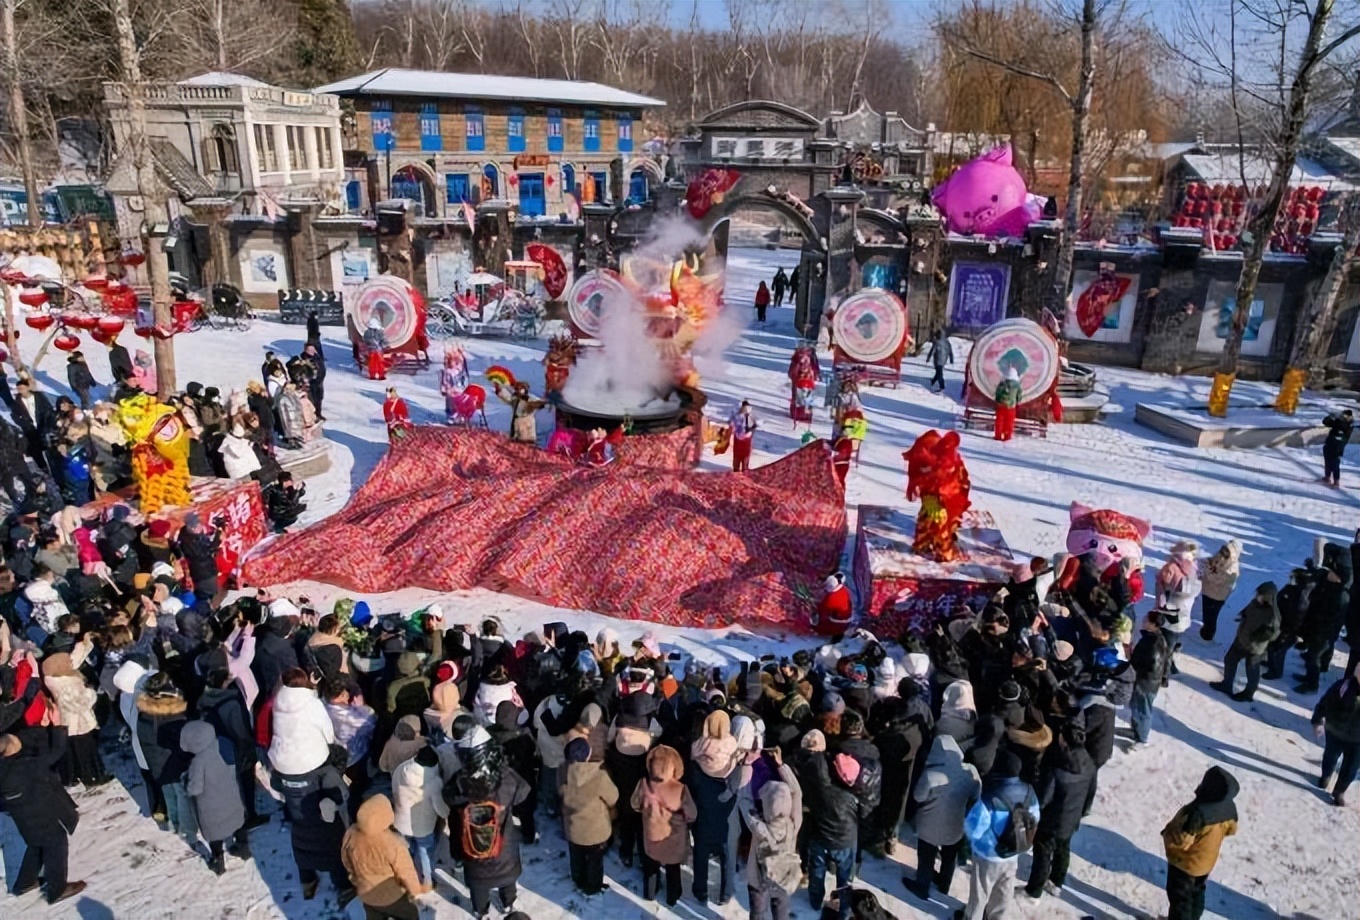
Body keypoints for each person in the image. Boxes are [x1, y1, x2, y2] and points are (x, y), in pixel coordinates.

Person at [0, 727, 86, 904]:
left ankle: (24, 882)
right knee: (57, 847)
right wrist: (58, 727)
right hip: (43, 815)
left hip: (24, 819)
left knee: (35, 846)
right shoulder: (26, 767)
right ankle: (57, 889)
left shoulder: (5, 769)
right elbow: (56, 751)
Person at [957, 750, 1039, 920]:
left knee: (980, 892)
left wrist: (972, 842)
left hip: (988, 854)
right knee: (1004, 891)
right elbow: (1035, 817)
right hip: (1013, 852)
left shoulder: (990, 796)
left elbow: (975, 828)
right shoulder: (1029, 792)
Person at [1022, 723, 1095, 901]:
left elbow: (1045, 798)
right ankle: (1056, 882)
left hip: (1051, 821)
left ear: (1066, 742)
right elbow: (1091, 793)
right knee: (1063, 849)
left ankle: (1034, 890)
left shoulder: (1057, 767)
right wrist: (1081, 813)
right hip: (1071, 819)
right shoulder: (1090, 764)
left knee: (1042, 854)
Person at [906, 734, 979, 902]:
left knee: (926, 856)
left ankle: (922, 886)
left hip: (928, 826)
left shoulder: (931, 775)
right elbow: (976, 795)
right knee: (949, 857)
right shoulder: (970, 772)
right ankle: (944, 885)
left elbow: (918, 796)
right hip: (955, 826)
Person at [1162, 766, 1239, 920]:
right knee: (1197, 893)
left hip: (1185, 866)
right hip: (1205, 863)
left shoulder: (1197, 813)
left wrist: (1168, 834)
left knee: (1180, 901)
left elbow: (1182, 841)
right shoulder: (1229, 807)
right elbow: (1232, 830)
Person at [342, 793, 429, 920]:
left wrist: (355, 878)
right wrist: (414, 890)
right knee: (411, 915)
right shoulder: (392, 843)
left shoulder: (351, 833)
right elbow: (406, 871)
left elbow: (346, 860)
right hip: (392, 896)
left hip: (366, 893)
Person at [739, 748, 802, 920]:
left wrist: (746, 766)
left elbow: (744, 799)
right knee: (781, 910)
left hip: (759, 879)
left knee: (758, 912)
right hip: (784, 874)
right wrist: (781, 766)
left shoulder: (759, 827)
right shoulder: (795, 823)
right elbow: (797, 792)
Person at [180, 720, 250, 875]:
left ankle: (218, 863)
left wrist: (185, 784)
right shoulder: (223, 744)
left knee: (215, 837)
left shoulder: (198, 762)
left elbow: (195, 789)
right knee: (238, 824)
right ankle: (243, 849)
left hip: (211, 809)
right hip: (232, 798)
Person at [633, 743, 696, 906]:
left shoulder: (644, 784)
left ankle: (650, 893)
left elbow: (635, 804)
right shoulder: (681, 789)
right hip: (673, 839)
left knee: (651, 867)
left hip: (651, 835)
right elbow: (692, 814)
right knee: (673, 869)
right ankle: (672, 897)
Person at [561, 736, 618, 895]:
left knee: (576, 856)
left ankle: (578, 878)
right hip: (595, 830)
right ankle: (592, 886)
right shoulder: (599, 777)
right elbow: (613, 796)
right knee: (595, 861)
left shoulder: (563, 773)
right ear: (587, 755)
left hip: (573, 828)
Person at [1210, 581, 1280, 703]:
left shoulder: (1272, 614)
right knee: (1230, 659)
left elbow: (1273, 633)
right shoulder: (1255, 603)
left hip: (1254, 647)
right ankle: (1227, 684)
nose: (1258, 596)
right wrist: (1242, 615)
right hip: (1241, 639)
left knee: (1252, 670)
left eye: (1261, 595)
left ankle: (1249, 693)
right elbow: (1248, 611)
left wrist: (1258, 636)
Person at [391, 746, 448, 888]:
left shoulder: (402, 768)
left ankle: (406, 876)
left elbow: (393, 788)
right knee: (425, 853)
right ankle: (426, 881)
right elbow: (441, 809)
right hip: (423, 827)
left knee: (406, 851)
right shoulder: (434, 783)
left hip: (401, 821)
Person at [1312, 661, 1360, 806]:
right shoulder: (1343, 687)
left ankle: (1339, 791)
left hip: (1358, 741)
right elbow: (1324, 703)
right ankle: (1326, 775)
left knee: (1351, 767)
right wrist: (1317, 720)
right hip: (1335, 732)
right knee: (1330, 756)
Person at [1129, 610, 1171, 744]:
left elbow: (1151, 665)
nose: (1143, 620)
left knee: (1143, 711)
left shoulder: (1152, 644)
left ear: (1153, 624)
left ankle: (1142, 739)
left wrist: (1131, 663)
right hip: (1147, 682)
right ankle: (1136, 730)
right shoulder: (1156, 638)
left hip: (1145, 683)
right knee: (1137, 707)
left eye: (1146, 619)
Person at [1199, 540, 1242, 642]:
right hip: (1207, 590)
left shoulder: (1232, 568)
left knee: (1211, 616)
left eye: (1226, 552)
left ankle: (1207, 635)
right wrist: (1206, 562)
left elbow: (1216, 579)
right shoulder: (1220, 555)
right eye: (1223, 550)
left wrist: (1207, 570)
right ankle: (1205, 627)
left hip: (1217, 596)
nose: (1222, 554)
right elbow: (1211, 560)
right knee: (1206, 612)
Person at [495, 381, 545, 445]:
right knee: (516, 441)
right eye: (516, 388)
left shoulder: (530, 398)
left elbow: (540, 404)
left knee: (527, 443)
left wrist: (532, 403)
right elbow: (507, 398)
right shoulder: (515, 398)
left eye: (519, 388)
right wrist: (499, 389)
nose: (517, 390)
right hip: (517, 421)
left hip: (526, 421)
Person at [1321, 408, 1353, 487]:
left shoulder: (1349, 425)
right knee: (1327, 461)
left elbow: (1345, 434)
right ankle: (1327, 477)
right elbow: (1325, 422)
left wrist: (1340, 421)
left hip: (1338, 446)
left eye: (1345, 416)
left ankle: (1336, 480)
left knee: (1335, 464)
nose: (1343, 416)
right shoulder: (1337, 421)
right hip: (1329, 443)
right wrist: (1331, 417)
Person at [992, 367, 1021, 442]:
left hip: (1001, 405)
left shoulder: (1002, 384)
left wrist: (997, 400)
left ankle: (998, 435)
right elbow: (1019, 395)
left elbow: (997, 393)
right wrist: (1018, 402)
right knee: (1009, 422)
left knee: (999, 421)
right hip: (1011, 407)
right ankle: (1007, 436)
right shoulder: (1017, 385)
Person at [728, 400, 756, 473]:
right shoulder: (751, 415)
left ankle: (736, 468)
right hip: (747, 437)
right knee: (746, 452)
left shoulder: (737, 415)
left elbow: (731, 423)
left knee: (737, 453)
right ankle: (745, 467)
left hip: (738, 437)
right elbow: (755, 425)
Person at [926, 328, 954, 393]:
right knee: (938, 372)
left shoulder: (937, 342)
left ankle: (942, 387)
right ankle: (932, 381)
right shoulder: (947, 342)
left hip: (937, 360)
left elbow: (932, 350)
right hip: (944, 360)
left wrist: (928, 358)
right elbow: (950, 351)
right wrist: (951, 359)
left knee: (940, 374)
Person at [363, 316, 388, 381]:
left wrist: (368, 345)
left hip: (372, 350)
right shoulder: (379, 332)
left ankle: (373, 375)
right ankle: (380, 375)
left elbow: (365, 340)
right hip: (377, 350)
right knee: (379, 363)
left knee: (372, 363)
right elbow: (384, 340)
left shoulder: (367, 332)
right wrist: (383, 346)